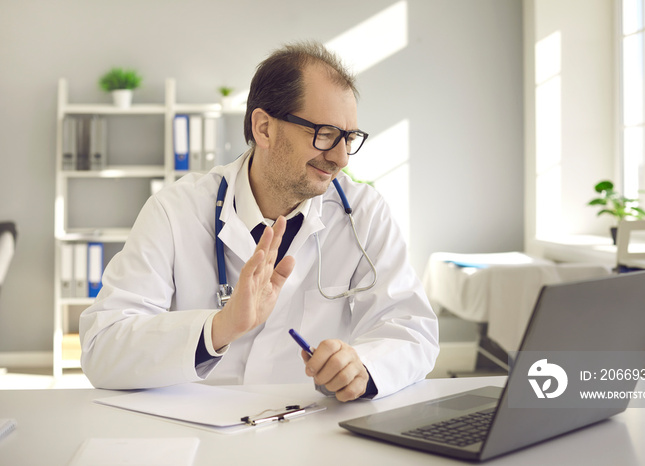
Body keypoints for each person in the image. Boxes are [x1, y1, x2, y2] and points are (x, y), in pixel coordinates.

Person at [79, 41, 439, 401]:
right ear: (264, 128)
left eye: (349, 138)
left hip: (309, 426)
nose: (342, 157)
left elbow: (413, 330)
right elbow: (102, 347)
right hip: (198, 429)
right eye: (325, 134)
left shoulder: (363, 213)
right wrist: (218, 328)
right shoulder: (175, 211)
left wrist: (362, 366)